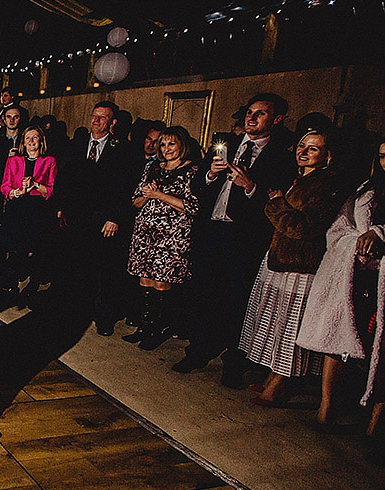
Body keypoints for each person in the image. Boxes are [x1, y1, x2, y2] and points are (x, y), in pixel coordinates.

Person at [172, 93, 297, 388]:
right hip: (211, 232)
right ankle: (197, 351)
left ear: (276, 120)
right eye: (250, 112)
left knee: (237, 300)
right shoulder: (225, 144)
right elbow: (197, 186)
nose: (251, 118)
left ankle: (233, 362)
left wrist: (251, 186)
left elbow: (276, 200)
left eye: (261, 114)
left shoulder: (281, 156)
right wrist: (210, 176)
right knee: (202, 293)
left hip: (244, 238)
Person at [298, 133, 385, 449]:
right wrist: (356, 243)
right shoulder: (368, 191)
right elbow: (339, 229)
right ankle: (326, 408)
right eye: (383, 155)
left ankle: (375, 425)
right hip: (356, 276)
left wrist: (382, 234)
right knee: (340, 338)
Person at [239, 122, 351, 406]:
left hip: (301, 266)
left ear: (327, 155)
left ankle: (279, 385)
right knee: (275, 322)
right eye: (301, 146)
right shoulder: (299, 178)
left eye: (312, 148)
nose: (303, 152)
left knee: (291, 327)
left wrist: (275, 203)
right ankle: (272, 378)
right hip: (281, 258)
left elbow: (303, 227)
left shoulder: (326, 184)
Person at [54, 101, 135, 335]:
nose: (96, 121)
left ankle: (104, 316)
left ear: (113, 122)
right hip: (77, 217)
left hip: (103, 219)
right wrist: (61, 207)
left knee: (104, 270)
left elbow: (126, 187)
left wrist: (115, 217)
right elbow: (64, 177)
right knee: (76, 266)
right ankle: (76, 311)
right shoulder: (77, 144)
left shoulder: (123, 150)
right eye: (94, 116)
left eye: (103, 117)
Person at [124, 126, 199, 350]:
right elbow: (135, 201)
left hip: (172, 235)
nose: (166, 149)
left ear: (182, 145)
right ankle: (144, 326)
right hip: (145, 232)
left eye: (171, 144)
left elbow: (192, 207)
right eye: (163, 144)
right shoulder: (153, 169)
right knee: (144, 278)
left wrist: (159, 195)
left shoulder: (192, 171)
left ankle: (158, 327)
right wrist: (147, 196)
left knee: (161, 281)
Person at [0, 125, 58, 296]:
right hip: (16, 206)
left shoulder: (50, 161)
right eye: (28, 138)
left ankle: (33, 283)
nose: (31, 141)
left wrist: (36, 185)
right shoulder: (13, 160)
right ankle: (12, 284)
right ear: (23, 142)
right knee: (13, 247)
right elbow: (4, 186)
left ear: (41, 140)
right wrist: (16, 192)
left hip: (37, 208)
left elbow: (52, 190)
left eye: (35, 137)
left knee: (35, 248)